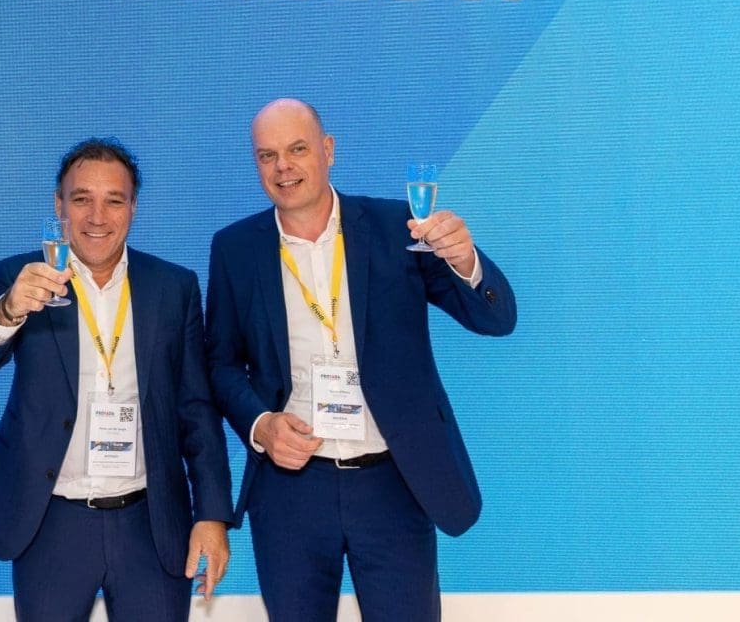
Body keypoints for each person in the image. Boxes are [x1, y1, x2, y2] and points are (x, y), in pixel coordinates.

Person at [205, 98, 517, 621]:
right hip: (291, 489)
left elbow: (495, 318)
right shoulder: (235, 248)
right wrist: (261, 425)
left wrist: (466, 260)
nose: (283, 167)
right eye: (267, 155)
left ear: (328, 150)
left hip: (394, 480)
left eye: (298, 149)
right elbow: (220, 364)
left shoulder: (398, 228)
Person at [0, 138, 233, 621]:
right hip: (51, 523)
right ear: (59, 205)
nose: (97, 217)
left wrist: (211, 514)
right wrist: (10, 308)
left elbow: (196, 409)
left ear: (133, 207)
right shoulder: (24, 277)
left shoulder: (173, 287)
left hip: (151, 523)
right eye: (81, 199)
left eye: (113, 201)